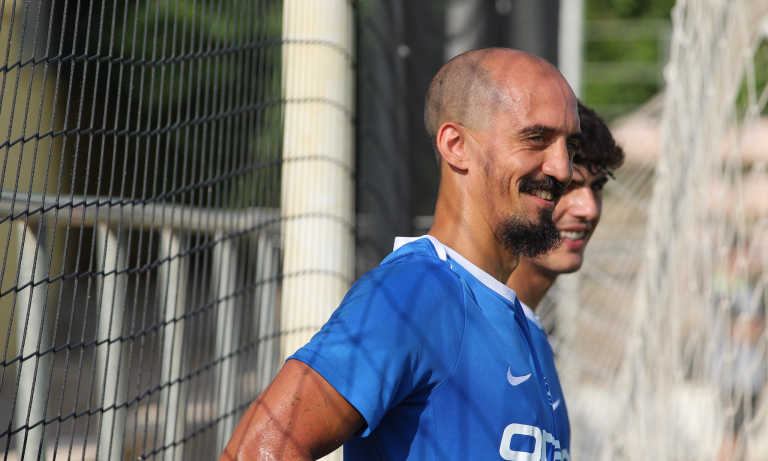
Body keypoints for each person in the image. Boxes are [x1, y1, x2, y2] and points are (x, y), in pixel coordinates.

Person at [220, 48, 582, 461]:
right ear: (456, 145)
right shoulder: (415, 292)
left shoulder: (515, 318)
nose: (563, 168)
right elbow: (255, 453)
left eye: (570, 146)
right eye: (536, 138)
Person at [505, 101, 626, 461]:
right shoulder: (437, 303)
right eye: (567, 186)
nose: (588, 209)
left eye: (597, 187)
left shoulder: (530, 331)